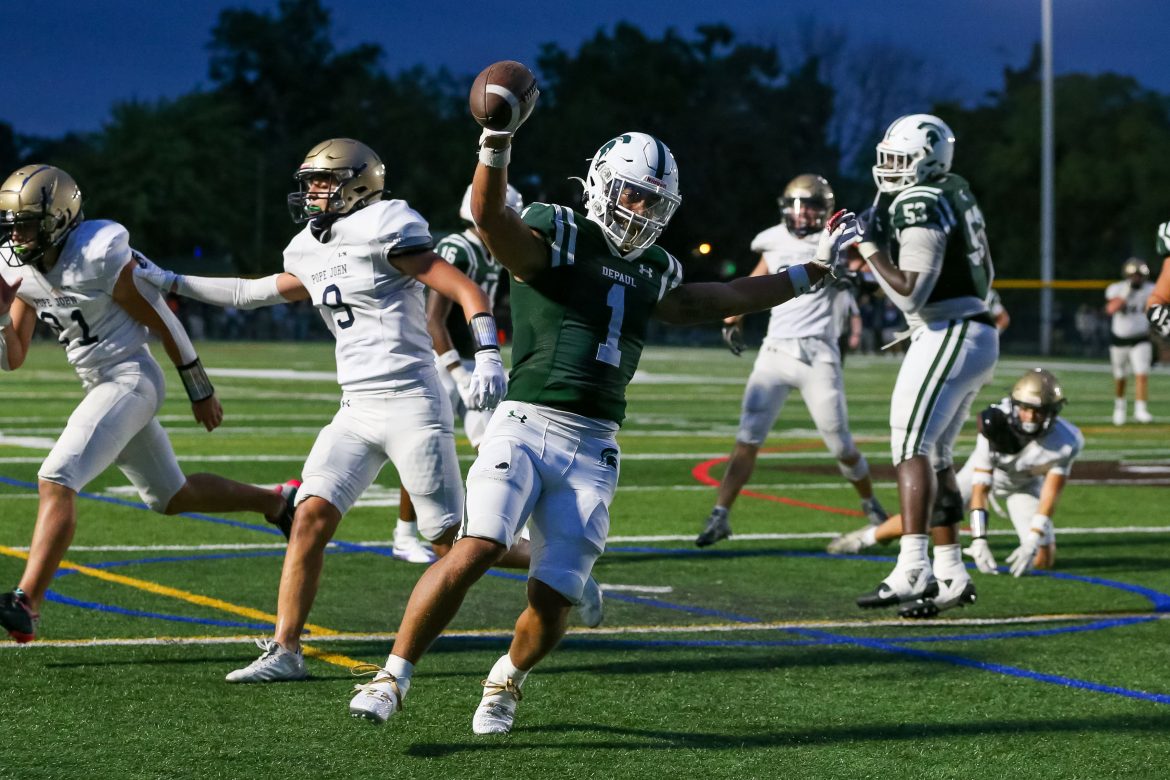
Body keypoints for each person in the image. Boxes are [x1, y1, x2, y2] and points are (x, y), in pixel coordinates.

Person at [347, 98, 854, 733]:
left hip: (594, 443)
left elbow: (717, 298)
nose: (641, 211)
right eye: (633, 195)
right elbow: (488, 216)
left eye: (653, 202)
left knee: (554, 596)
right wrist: (496, 138)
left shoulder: (656, 268)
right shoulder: (559, 231)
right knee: (480, 543)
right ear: (603, 185)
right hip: (525, 421)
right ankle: (392, 677)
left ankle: (507, 678)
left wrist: (813, 272)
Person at [139, 138, 511, 682]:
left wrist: (488, 356)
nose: (312, 191)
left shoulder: (387, 224)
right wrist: (172, 280)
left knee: (453, 541)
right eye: (310, 180)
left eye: (323, 180)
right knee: (308, 516)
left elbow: (465, 290)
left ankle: (554, 566)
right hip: (356, 408)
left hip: (411, 402)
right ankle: (286, 650)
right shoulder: (311, 247)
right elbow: (252, 292)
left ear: (359, 182)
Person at [0, 165, 296, 643]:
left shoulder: (97, 256)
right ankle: (277, 501)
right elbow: (12, 357)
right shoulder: (18, 267)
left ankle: (26, 602)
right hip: (99, 383)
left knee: (56, 478)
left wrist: (199, 387)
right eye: (12, 223)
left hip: (130, 377)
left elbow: (162, 319)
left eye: (27, 222)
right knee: (170, 497)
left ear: (60, 219)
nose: (17, 234)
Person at [847, 114, 1000, 618]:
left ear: (927, 158)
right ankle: (952, 572)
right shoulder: (954, 188)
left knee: (911, 446)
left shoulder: (922, 198)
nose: (890, 170)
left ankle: (913, 565)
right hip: (971, 329)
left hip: (949, 329)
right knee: (935, 456)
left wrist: (868, 248)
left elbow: (912, 291)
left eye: (900, 159)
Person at [696, 174, 886, 548]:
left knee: (842, 447)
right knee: (747, 439)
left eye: (812, 207)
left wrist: (861, 278)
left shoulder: (841, 240)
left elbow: (873, 275)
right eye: (797, 207)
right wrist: (733, 319)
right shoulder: (773, 240)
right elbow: (754, 283)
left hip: (819, 355)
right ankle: (720, 515)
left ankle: (870, 503)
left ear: (825, 211)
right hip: (775, 352)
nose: (802, 215)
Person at [830, 369, 1082, 584]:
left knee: (1043, 558)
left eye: (1039, 411)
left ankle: (1033, 544)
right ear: (1015, 404)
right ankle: (864, 539)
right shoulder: (994, 421)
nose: (1030, 417)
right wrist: (979, 539)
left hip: (1024, 484)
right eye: (1026, 408)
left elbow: (1050, 493)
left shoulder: (1066, 441)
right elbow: (980, 486)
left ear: (1053, 411)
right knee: (931, 514)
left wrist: (1032, 540)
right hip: (984, 473)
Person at [391, 184, 525, 564]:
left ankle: (504, 527)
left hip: (469, 362)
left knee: (494, 442)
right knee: (422, 447)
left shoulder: (492, 252)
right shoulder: (456, 247)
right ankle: (404, 533)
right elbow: (432, 319)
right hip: (441, 360)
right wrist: (456, 371)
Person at [1105, 258, 1155, 425]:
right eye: (1133, 275)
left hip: (1141, 338)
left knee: (1142, 373)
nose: (1136, 278)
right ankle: (1120, 407)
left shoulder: (1151, 290)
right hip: (1119, 339)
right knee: (1120, 376)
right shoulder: (1118, 288)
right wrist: (1126, 293)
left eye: (1139, 275)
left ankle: (1140, 409)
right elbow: (1111, 309)